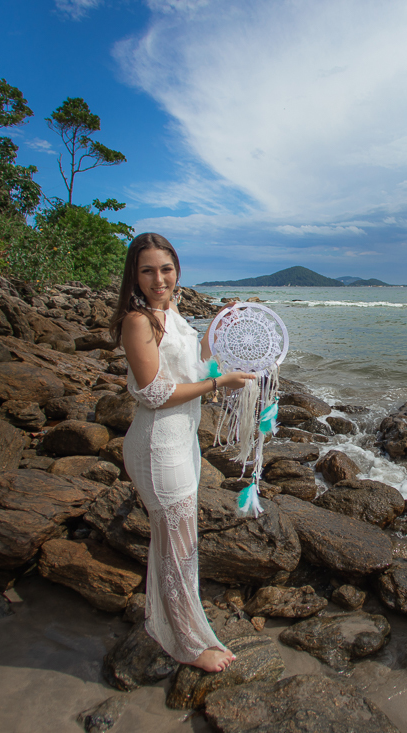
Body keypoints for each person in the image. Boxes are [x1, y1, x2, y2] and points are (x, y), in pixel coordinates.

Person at [110, 232, 254, 673]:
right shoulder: (138, 321)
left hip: (181, 441)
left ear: (177, 271)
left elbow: (194, 363)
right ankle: (189, 645)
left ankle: (173, 626)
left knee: (178, 544)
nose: (159, 279)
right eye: (148, 271)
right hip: (158, 446)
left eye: (166, 269)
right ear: (135, 275)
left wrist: (219, 325)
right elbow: (155, 393)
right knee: (178, 548)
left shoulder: (170, 313)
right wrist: (219, 383)